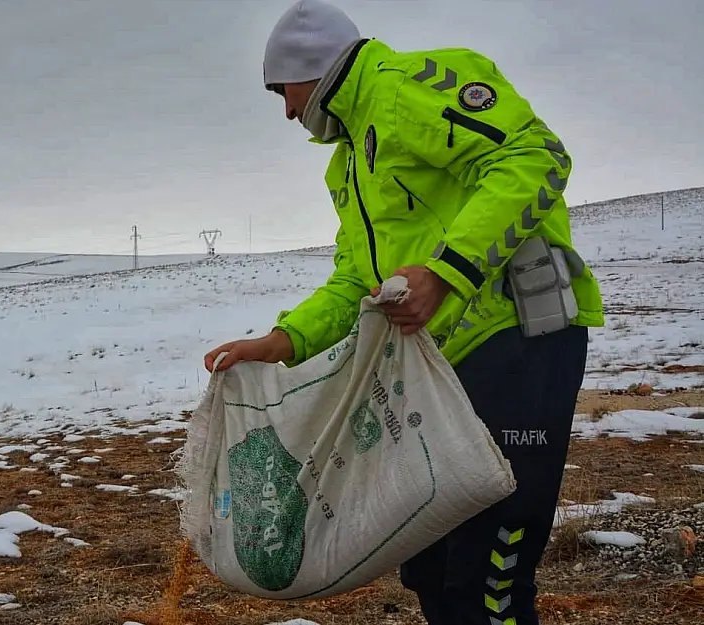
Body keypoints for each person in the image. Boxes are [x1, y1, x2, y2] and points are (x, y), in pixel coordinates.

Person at [202, 1, 605, 624]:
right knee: (432, 565)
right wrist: (282, 342)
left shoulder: (408, 88)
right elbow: (356, 281)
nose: (286, 111)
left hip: (517, 341)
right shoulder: (349, 166)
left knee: (487, 573)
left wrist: (448, 273)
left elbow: (536, 157)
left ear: (314, 66)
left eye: (284, 90)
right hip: (441, 370)